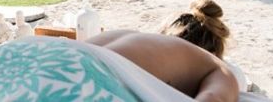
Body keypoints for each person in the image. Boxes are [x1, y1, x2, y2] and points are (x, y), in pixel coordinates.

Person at [86, 31, 238, 102]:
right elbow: (213, 98)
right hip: (97, 76)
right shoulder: (219, 68)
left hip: (68, 52)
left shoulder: (129, 36)